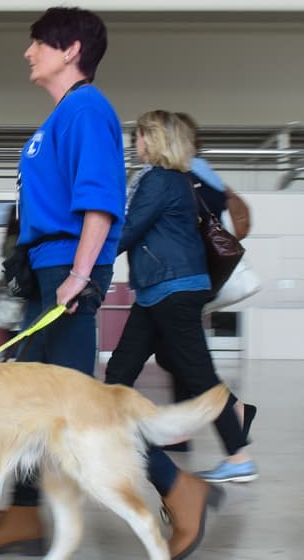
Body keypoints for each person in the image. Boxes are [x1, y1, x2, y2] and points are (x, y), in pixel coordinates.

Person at [0, 9, 220, 560]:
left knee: (81, 405)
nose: (28, 53)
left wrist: (79, 276)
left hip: (66, 274)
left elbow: (101, 202)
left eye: (37, 43)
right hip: (47, 270)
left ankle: (178, 486)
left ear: (70, 49)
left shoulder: (86, 110)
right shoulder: (63, 115)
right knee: (33, 399)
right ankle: (25, 514)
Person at [104, 111, 258, 491]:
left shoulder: (159, 180)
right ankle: (109, 440)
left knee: (200, 377)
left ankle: (239, 456)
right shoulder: (167, 180)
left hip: (173, 289)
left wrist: (83, 259)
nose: (133, 144)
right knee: (120, 370)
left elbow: (127, 230)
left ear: (152, 140)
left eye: (138, 137)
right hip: (159, 290)